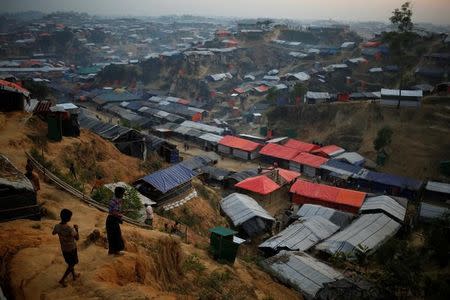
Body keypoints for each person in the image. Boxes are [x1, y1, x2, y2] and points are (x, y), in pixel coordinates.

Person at [52, 209, 80, 287]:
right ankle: (62, 280)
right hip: (72, 248)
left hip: (64, 249)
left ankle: (74, 275)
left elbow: (53, 233)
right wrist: (77, 229)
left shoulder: (57, 226)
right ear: (69, 218)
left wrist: (59, 232)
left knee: (70, 262)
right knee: (72, 263)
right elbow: (77, 238)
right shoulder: (70, 229)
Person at [106, 186, 125, 256]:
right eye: (122, 193)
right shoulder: (113, 201)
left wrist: (120, 214)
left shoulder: (118, 200)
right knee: (113, 235)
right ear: (119, 193)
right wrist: (120, 216)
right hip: (112, 220)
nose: (122, 195)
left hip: (114, 219)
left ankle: (114, 251)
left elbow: (116, 211)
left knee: (115, 235)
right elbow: (113, 212)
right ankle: (113, 251)